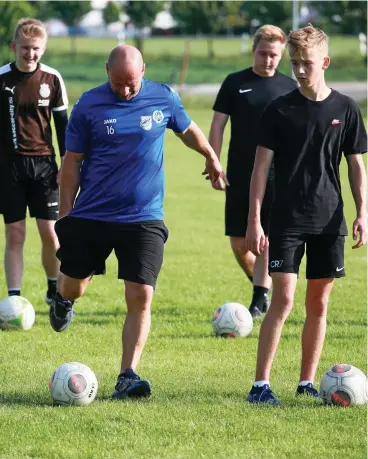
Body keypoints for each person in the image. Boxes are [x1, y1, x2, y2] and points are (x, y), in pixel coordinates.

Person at [49, 45, 228, 400]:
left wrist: (210, 154)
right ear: (106, 72)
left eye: (131, 83)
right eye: (118, 83)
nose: (126, 90)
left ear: (143, 70)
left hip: (143, 217)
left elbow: (187, 129)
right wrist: (65, 215)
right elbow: (71, 163)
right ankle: (62, 299)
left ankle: (127, 374)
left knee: (141, 295)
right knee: (73, 287)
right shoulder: (89, 105)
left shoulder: (163, 97)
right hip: (92, 214)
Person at [245, 24, 367, 405]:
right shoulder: (279, 109)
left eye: (307, 63)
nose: (299, 70)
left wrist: (363, 212)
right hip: (286, 221)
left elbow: (356, 166)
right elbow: (260, 168)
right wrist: (254, 219)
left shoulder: (346, 109)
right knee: (282, 300)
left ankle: (306, 383)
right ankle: (260, 385)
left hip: (330, 221)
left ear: (325, 62)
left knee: (319, 305)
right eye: (295, 63)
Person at [209, 25, 297, 318]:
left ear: (281, 55)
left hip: (277, 174)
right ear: (253, 51)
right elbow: (218, 124)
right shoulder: (235, 83)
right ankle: (262, 285)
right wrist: (214, 161)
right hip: (238, 172)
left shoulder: (289, 88)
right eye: (263, 53)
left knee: (266, 237)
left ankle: (260, 298)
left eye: (274, 55)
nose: (268, 60)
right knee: (239, 242)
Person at [0, 18, 68, 303]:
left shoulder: (52, 79)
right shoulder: (2, 77)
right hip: (9, 168)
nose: (30, 53)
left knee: (50, 233)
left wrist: (67, 167)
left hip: (44, 167)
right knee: (15, 234)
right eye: (25, 48)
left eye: (36, 48)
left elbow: (64, 127)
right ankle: (14, 299)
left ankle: (53, 289)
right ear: (14, 46)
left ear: (44, 48)